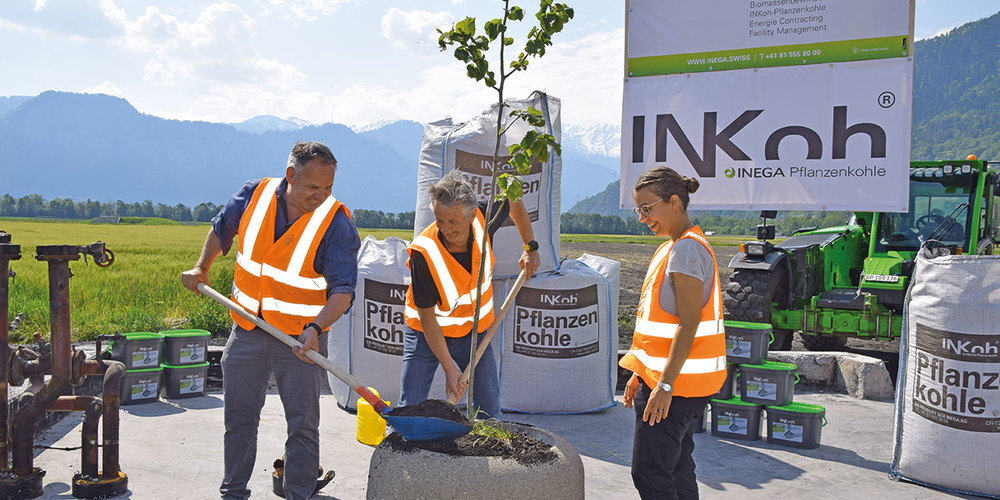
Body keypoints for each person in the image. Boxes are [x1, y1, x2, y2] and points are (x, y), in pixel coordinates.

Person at [180, 141, 360, 500]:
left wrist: (316, 328)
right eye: (313, 188)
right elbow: (221, 229)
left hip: (300, 341)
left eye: (328, 188)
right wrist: (203, 266)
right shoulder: (254, 195)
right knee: (240, 420)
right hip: (247, 329)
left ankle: (299, 493)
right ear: (290, 176)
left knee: (303, 425)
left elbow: (343, 292)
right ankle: (232, 492)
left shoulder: (336, 223)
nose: (321, 196)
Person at [619, 166, 727, 499]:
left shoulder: (685, 251)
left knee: (650, 474)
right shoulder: (674, 246)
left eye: (647, 208)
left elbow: (689, 324)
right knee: (677, 467)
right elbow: (657, 328)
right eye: (639, 210)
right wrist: (641, 372)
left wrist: (664, 384)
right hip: (674, 381)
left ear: (675, 202)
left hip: (676, 385)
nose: (642, 218)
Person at [401, 170, 540, 419]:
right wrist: (449, 367)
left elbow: (514, 200)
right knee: (410, 405)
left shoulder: (484, 219)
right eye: (439, 220)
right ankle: (403, 451)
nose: (444, 229)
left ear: (472, 214)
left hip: (475, 334)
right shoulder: (424, 253)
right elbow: (427, 317)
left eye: (453, 222)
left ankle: (490, 453)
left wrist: (530, 248)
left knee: (488, 409)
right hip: (426, 334)